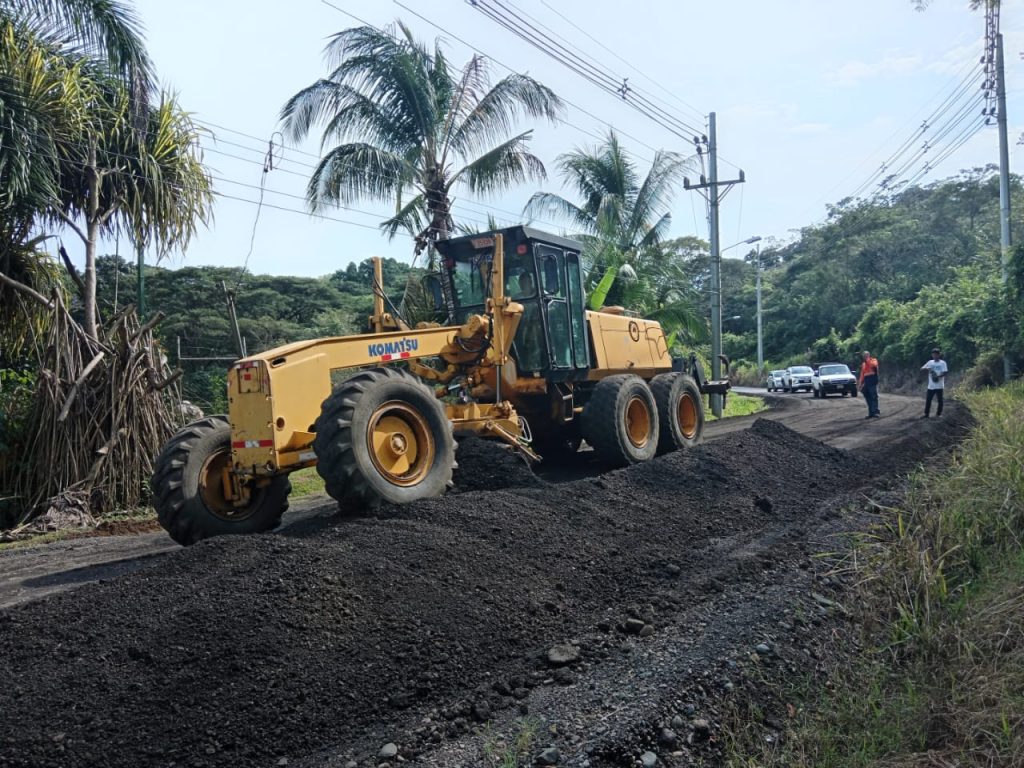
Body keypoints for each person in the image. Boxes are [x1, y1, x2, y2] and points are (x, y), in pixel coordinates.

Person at [920, 347, 948, 418]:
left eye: (936, 354)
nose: (934, 356)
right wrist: (927, 368)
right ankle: (926, 414)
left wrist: (938, 376)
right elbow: (921, 369)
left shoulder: (942, 363)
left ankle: (939, 414)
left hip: (939, 385)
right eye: (933, 354)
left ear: (939, 355)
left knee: (940, 400)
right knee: (928, 400)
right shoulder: (930, 362)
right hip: (931, 386)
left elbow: (945, 372)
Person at [859, 350, 880, 418]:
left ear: (869, 355)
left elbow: (873, 365)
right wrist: (860, 383)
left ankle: (876, 412)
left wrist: (867, 360)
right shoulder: (863, 364)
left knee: (874, 396)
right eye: (864, 356)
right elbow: (862, 374)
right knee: (868, 397)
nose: (865, 357)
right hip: (866, 381)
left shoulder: (873, 360)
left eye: (866, 355)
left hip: (872, 380)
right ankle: (871, 412)